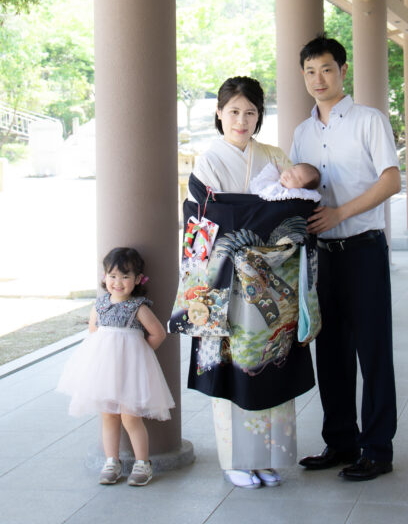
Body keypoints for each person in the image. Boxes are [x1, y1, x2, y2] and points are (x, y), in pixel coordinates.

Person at [181, 76, 317, 489]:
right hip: (228, 284)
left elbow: (295, 206)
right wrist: (257, 217)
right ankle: (236, 460)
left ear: (260, 117)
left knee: (273, 364)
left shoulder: (274, 155)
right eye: (234, 111)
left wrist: (256, 217)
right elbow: (206, 221)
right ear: (219, 113)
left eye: (251, 112)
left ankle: (269, 458)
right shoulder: (207, 162)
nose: (241, 120)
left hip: (272, 279)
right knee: (234, 368)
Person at [290, 34, 401, 481]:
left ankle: (377, 449)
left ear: (343, 70)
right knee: (331, 352)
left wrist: (340, 213)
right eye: (310, 71)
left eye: (326, 69)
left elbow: (391, 180)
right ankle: (340, 442)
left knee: (373, 352)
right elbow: (296, 192)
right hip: (323, 258)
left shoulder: (369, 120)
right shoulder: (301, 133)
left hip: (363, 250)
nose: (318, 79)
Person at [57, 247, 175, 487]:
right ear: (104, 277)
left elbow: (158, 333)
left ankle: (142, 463)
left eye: (125, 276)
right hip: (105, 372)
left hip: (130, 372)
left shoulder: (138, 307)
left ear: (138, 279)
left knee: (131, 418)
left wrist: (139, 355)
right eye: (112, 276)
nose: (118, 282)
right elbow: (93, 332)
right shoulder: (100, 305)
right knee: (109, 416)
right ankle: (112, 461)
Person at [250, 161, 321, 202]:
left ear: (302, 189)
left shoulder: (289, 195)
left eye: (296, 178)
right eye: (292, 169)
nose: (290, 175)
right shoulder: (274, 179)